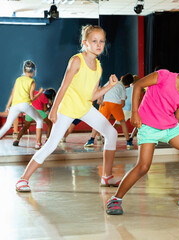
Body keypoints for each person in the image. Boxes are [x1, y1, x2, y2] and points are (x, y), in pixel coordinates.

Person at [15, 25, 123, 192]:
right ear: (85, 43)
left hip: (85, 107)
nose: (99, 44)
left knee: (112, 133)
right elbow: (63, 87)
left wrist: (110, 86)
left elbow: (93, 95)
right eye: (94, 41)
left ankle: (106, 176)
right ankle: (23, 179)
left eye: (101, 41)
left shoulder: (99, 66)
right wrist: (53, 109)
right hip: (67, 109)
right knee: (51, 144)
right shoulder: (76, 60)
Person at [105, 65, 179, 215]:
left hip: (169, 127)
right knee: (143, 167)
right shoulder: (164, 76)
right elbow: (138, 85)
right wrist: (135, 113)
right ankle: (115, 200)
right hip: (149, 126)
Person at [0, 60, 44, 149]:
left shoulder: (18, 79)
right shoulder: (32, 81)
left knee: (7, 125)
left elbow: (13, 93)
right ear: (34, 70)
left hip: (15, 105)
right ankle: (38, 143)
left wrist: (8, 106)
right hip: (25, 104)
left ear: (24, 70)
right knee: (39, 120)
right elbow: (32, 98)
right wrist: (39, 92)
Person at [85, 73, 134, 148]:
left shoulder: (112, 81)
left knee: (98, 122)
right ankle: (128, 142)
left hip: (106, 103)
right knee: (122, 122)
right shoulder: (123, 89)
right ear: (128, 85)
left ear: (122, 77)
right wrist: (118, 107)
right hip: (116, 105)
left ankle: (91, 140)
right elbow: (123, 104)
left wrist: (100, 100)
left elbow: (101, 89)